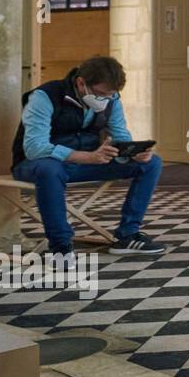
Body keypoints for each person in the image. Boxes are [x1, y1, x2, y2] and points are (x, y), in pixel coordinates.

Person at [11, 56, 166, 261]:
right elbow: (34, 148)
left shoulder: (112, 99)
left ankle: (128, 235)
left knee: (152, 163)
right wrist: (85, 156)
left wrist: (133, 153)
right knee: (50, 170)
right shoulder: (44, 97)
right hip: (36, 164)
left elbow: (120, 137)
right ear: (81, 82)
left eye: (111, 95)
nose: (106, 100)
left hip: (88, 161)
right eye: (101, 94)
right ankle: (60, 246)